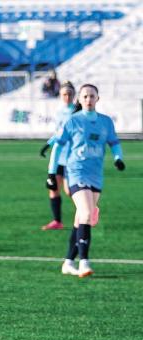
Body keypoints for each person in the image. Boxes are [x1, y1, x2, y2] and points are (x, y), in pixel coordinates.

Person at [52, 84, 125, 277]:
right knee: (86, 213)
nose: (88, 99)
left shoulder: (105, 122)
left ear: (97, 98)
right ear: (79, 99)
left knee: (82, 219)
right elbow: (58, 145)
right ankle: (84, 262)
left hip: (95, 175)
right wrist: (52, 174)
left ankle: (68, 262)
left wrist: (118, 158)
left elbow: (114, 142)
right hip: (76, 172)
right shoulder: (73, 120)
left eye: (92, 96)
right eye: (85, 96)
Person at [38, 81, 75, 230]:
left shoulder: (77, 112)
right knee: (53, 188)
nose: (67, 97)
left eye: (70, 94)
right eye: (64, 94)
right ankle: (57, 221)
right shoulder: (60, 112)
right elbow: (59, 133)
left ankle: (87, 212)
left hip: (71, 157)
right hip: (59, 156)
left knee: (69, 190)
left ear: (74, 95)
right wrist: (48, 144)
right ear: (60, 95)